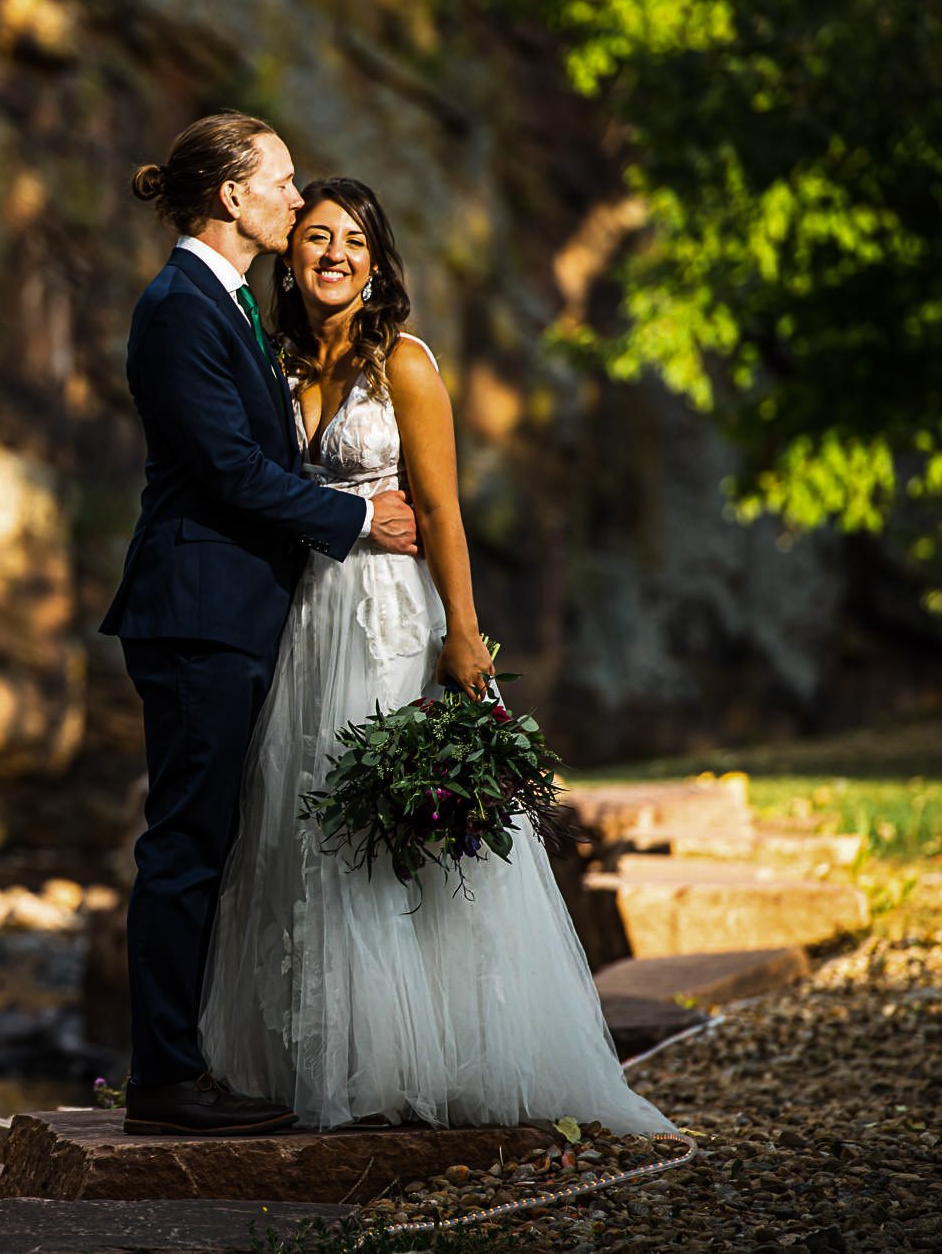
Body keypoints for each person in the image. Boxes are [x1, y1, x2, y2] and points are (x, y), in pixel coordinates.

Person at [196, 176, 675, 1136]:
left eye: (355, 243)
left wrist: (463, 629)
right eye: (318, 237)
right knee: (309, 824)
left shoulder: (403, 365)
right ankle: (327, 1060)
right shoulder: (278, 364)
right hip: (309, 620)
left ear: (378, 265)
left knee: (396, 831)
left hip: (390, 618)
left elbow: (445, 508)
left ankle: (427, 1062)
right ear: (291, 256)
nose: (334, 254)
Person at [100, 115, 421, 1136]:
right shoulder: (175, 307)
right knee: (186, 843)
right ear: (231, 198)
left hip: (235, 609)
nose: (294, 197)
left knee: (210, 837)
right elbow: (229, 471)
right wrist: (360, 514)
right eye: (279, 183)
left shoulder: (227, 300)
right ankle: (161, 1076)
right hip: (197, 610)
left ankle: (186, 1058)